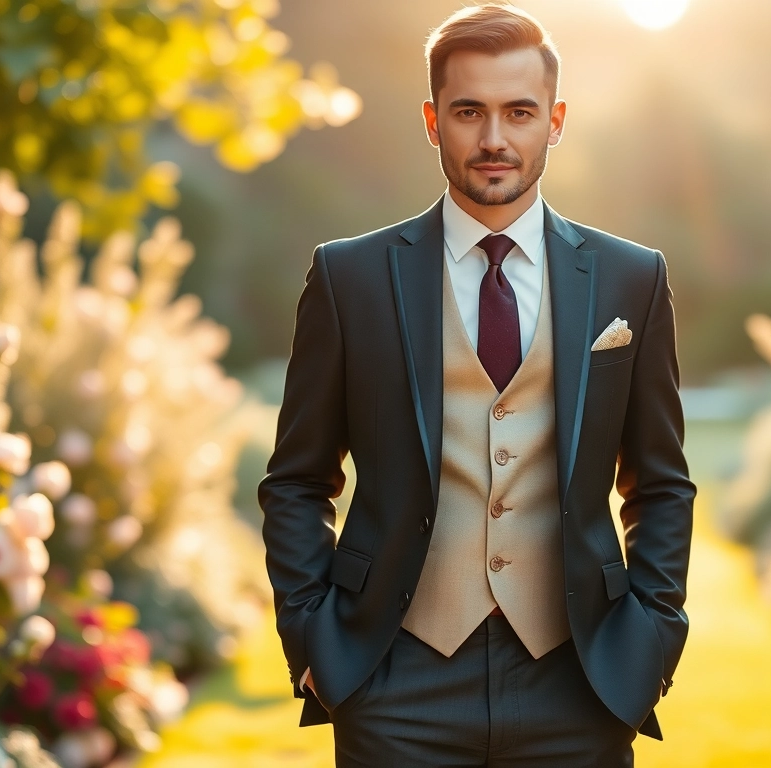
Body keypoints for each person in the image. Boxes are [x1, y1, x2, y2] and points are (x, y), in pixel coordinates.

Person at [258, 4, 696, 765]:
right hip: (395, 681)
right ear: (433, 121)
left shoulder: (632, 277)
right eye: (469, 111)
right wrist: (311, 635)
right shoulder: (349, 278)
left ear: (555, 121)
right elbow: (297, 481)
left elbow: (660, 483)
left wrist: (652, 638)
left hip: (580, 679)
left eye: (519, 112)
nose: (495, 139)